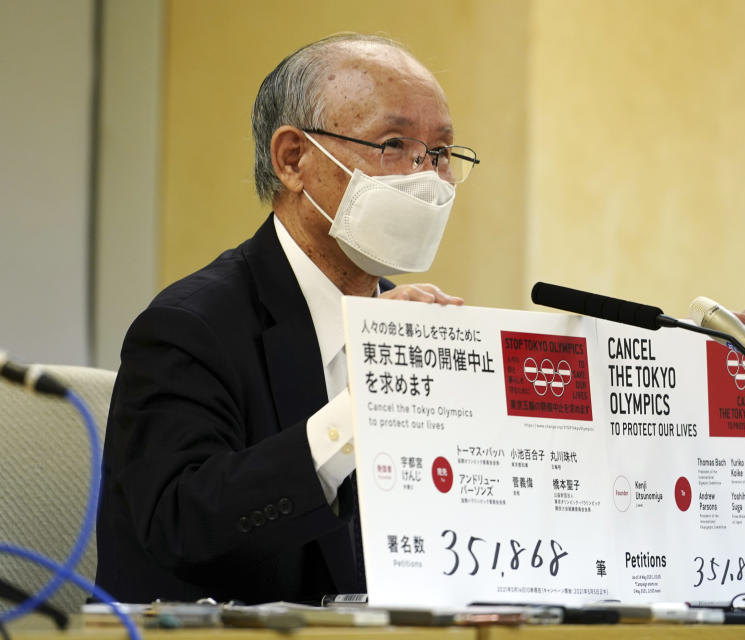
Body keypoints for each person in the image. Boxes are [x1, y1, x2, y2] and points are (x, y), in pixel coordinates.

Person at [94, 33, 477, 604]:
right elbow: (180, 528)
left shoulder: (419, 331)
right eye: (394, 144)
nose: (426, 177)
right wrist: (363, 405)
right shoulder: (188, 328)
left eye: (441, 154)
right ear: (293, 159)